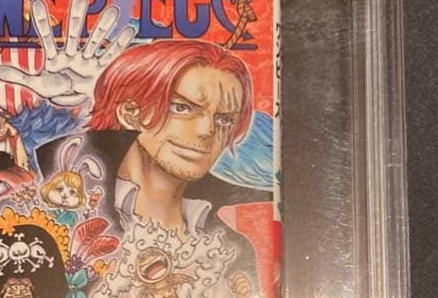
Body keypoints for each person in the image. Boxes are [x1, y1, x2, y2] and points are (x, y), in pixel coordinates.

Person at [39, 39, 270, 236]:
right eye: (182, 108)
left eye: (224, 119)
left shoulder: (231, 241)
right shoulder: (62, 209)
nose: (207, 130)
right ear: (130, 114)